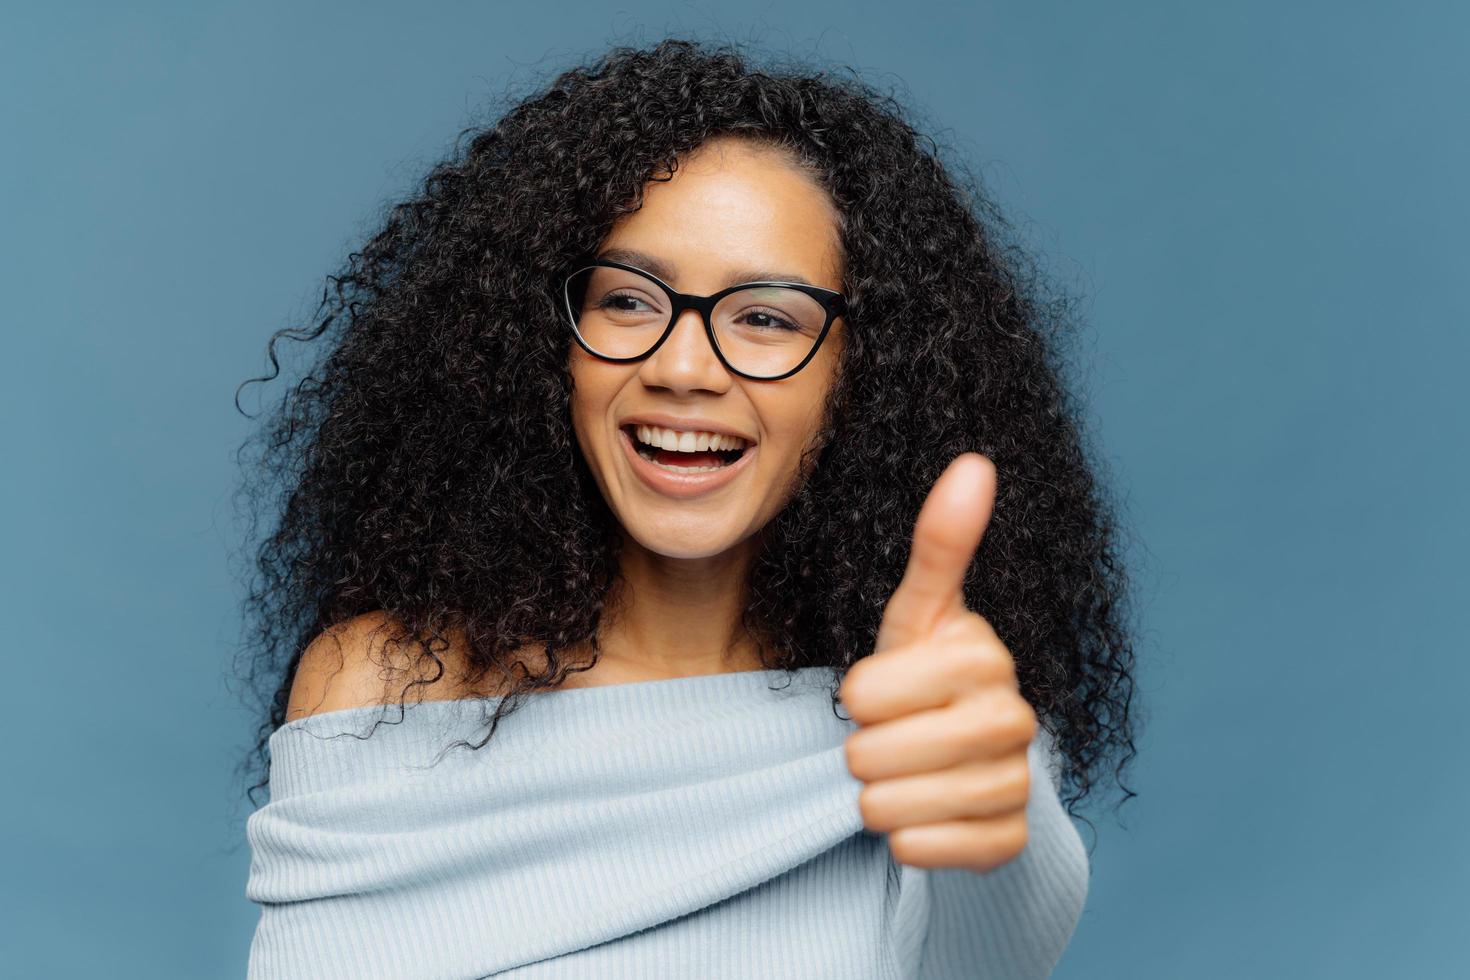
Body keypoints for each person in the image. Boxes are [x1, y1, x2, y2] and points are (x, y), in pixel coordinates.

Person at [234, 36, 1139, 979]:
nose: (680, 369)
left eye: (765, 317)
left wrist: (1008, 808)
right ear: (549, 344)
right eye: (629, 300)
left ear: (860, 377)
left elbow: (989, 958)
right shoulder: (384, 689)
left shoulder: (928, 720)